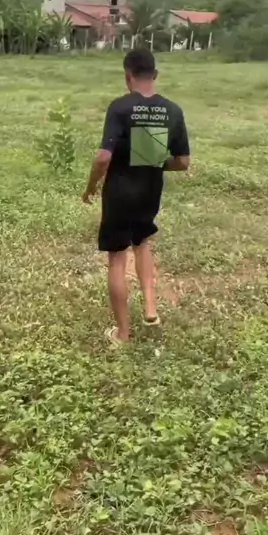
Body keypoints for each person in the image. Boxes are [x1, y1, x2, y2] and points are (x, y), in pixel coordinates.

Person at [83, 49, 190, 344]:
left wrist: (91, 186)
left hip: (119, 193)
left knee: (117, 258)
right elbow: (182, 162)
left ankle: (122, 333)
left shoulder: (120, 107)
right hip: (149, 192)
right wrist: (153, 160)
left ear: (128, 75)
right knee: (142, 243)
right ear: (155, 75)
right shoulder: (173, 110)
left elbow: (103, 157)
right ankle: (151, 310)